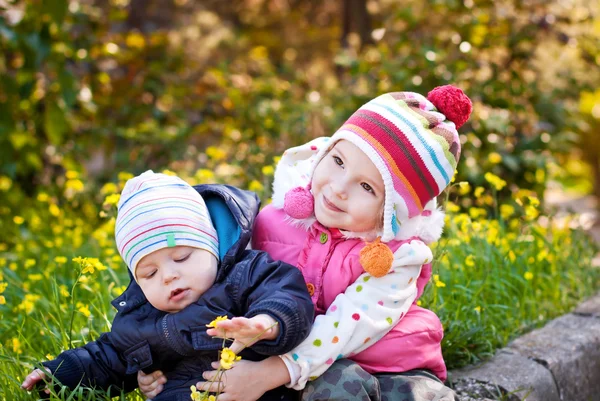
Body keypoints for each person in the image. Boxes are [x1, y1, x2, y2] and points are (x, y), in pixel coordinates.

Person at [191, 85, 473, 401]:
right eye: (338, 161)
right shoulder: (273, 221)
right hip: (300, 362)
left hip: (390, 362)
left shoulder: (399, 257)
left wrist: (268, 374)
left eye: (367, 186)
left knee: (351, 387)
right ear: (324, 151)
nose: (339, 188)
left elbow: (347, 326)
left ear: (393, 212)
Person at [21, 171, 314, 401]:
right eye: (149, 273)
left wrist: (267, 323)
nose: (168, 276)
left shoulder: (245, 275)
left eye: (182, 257)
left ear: (212, 246)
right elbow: (105, 358)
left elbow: (287, 295)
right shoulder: (140, 319)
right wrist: (57, 375)